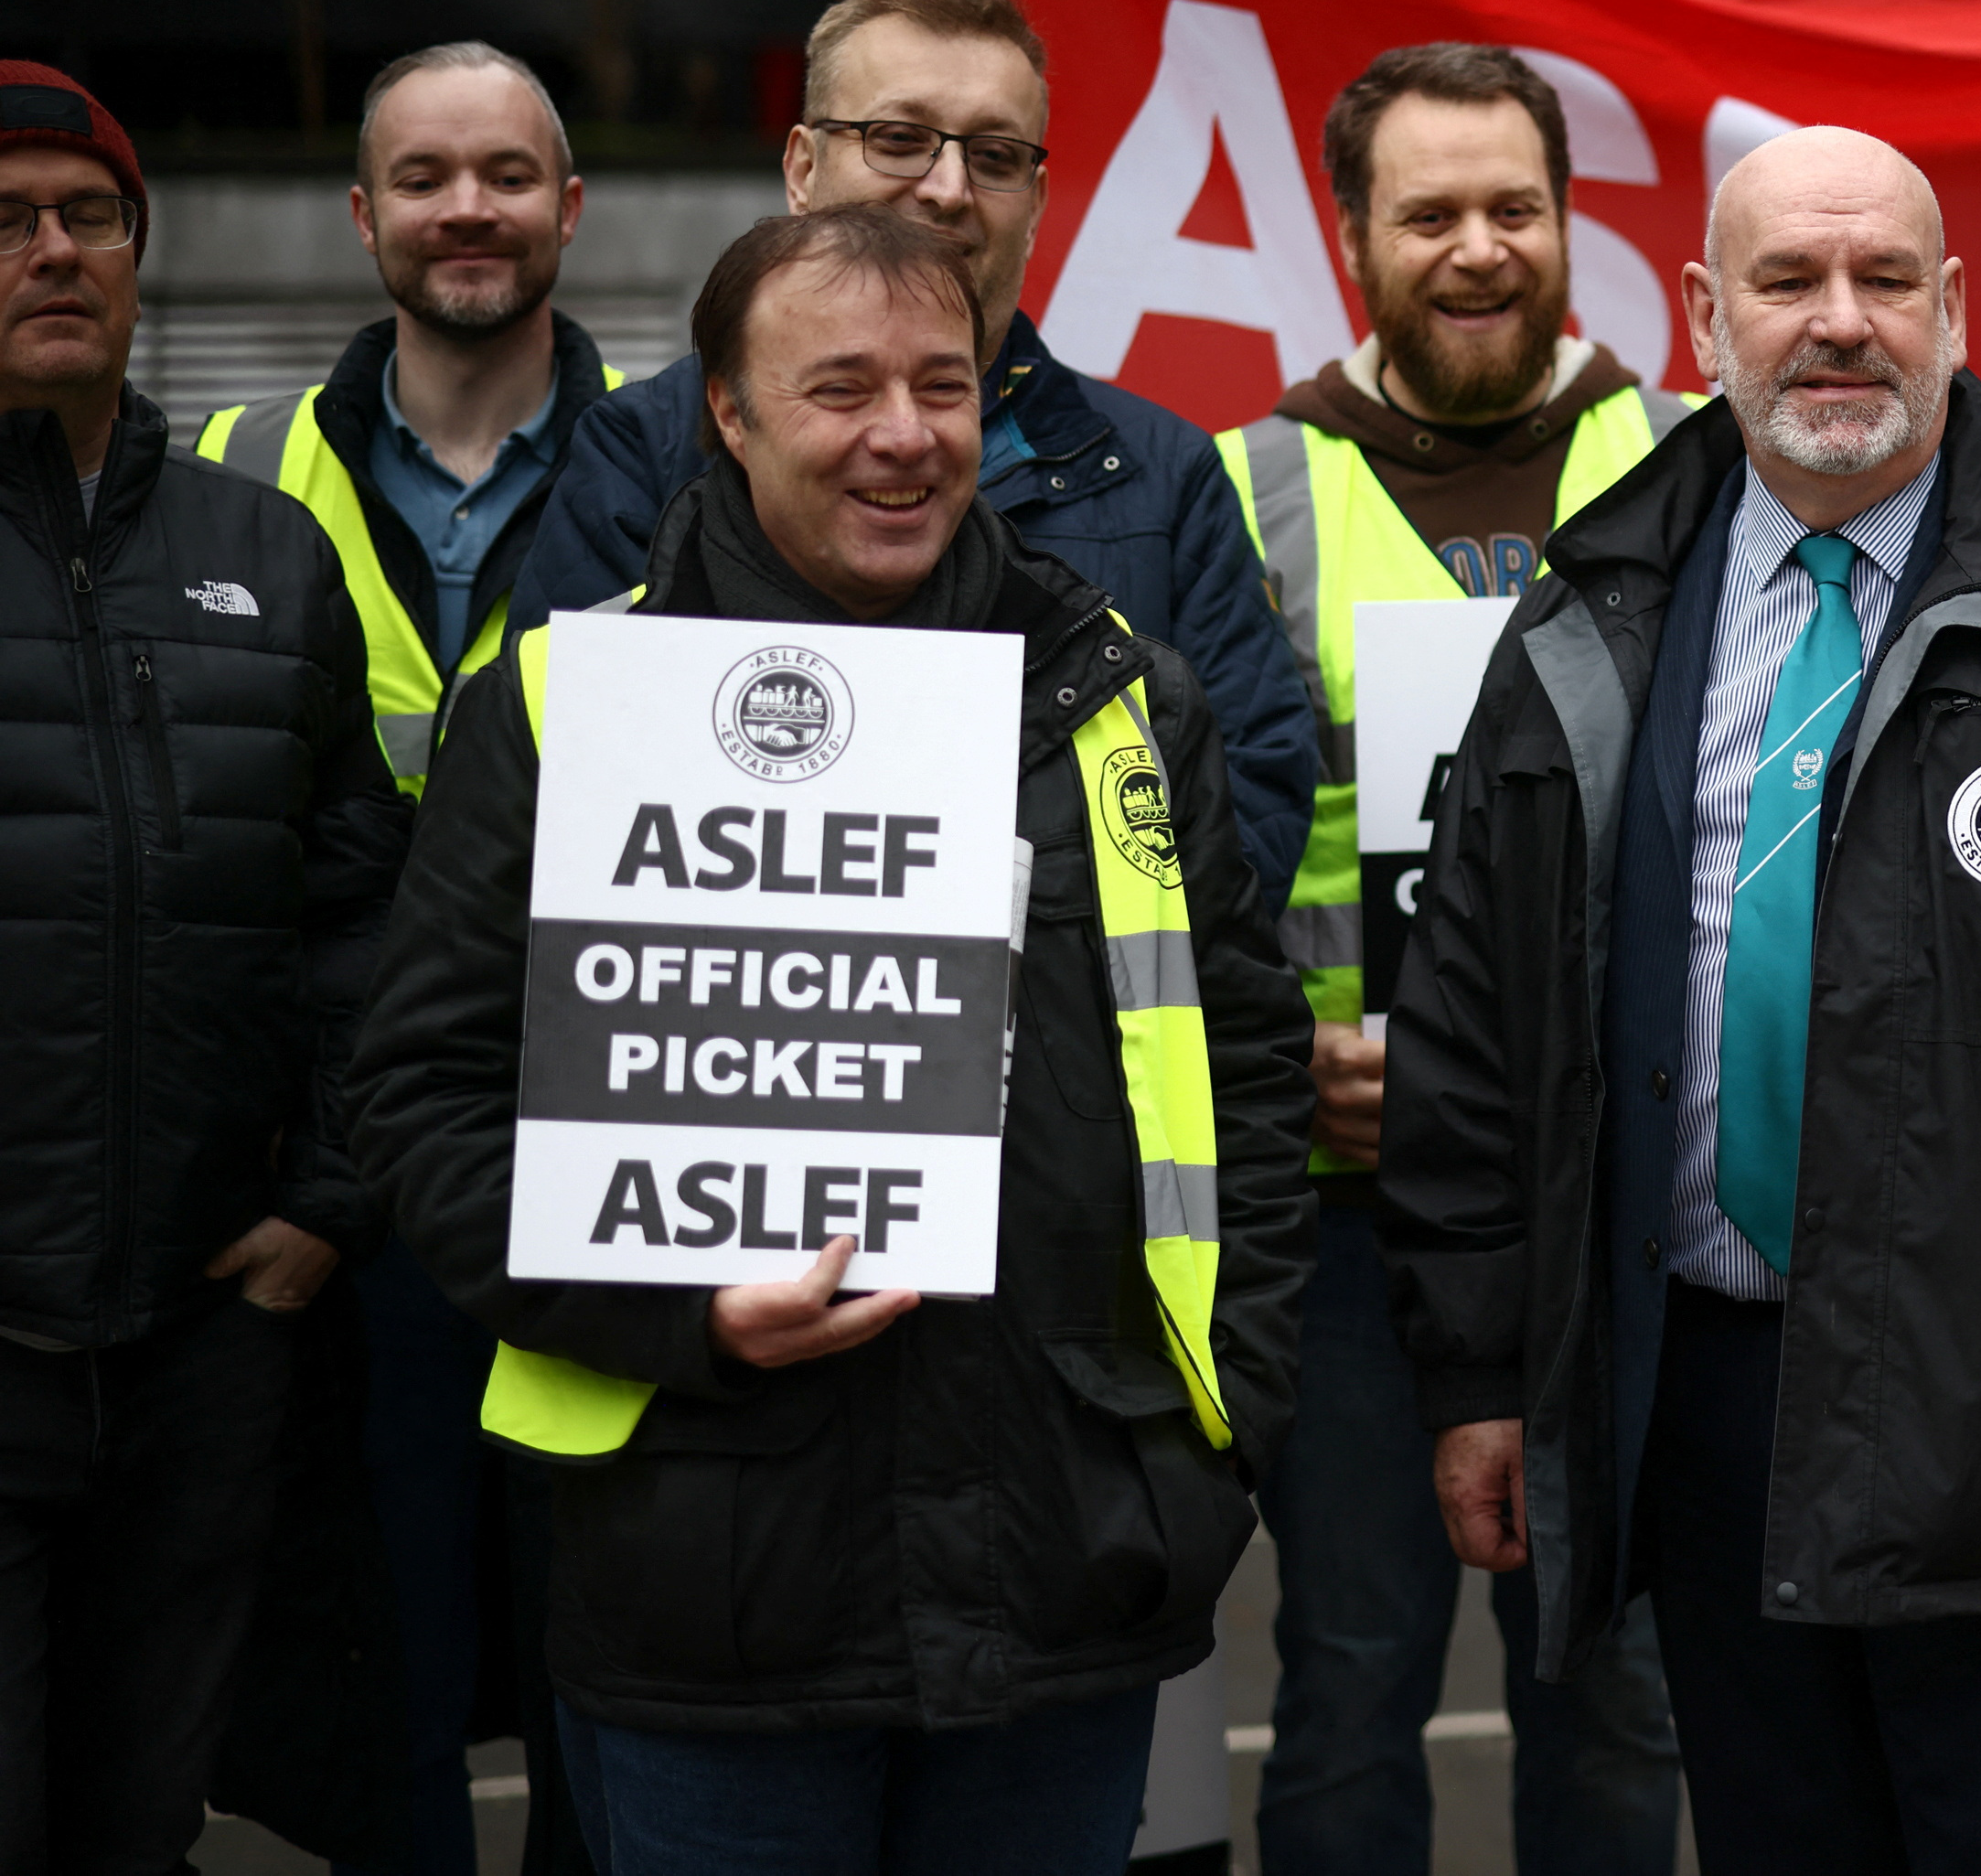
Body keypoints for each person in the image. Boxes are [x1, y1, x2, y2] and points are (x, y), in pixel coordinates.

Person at [1378, 126, 1981, 1875]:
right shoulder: (1591, 620)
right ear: (1700, 313)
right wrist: (1479, 1368)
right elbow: (1474, 1029)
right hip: (1702, 1405)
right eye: (1787, 280)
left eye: (1884, 278)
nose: (1839, 320)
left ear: (1955, 309)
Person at [345, 201, 1317, 1871]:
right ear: (723, 409)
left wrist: (1220, 1431)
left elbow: (1247, 1076)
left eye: (944, 386)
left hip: (1066, 1560)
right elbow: (423, 1100)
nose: (904, 436)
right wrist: (679, 1305)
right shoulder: (563, 710)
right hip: (705, 1577)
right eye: (841, 388)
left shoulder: (1121, 702)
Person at [1223, 44, 1687, 1875]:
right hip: (1351, 1220)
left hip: (1615, 1208)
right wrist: (1291, 1046)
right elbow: (1180, 855)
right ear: (1352, 240)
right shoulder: (1245, 488)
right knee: (1344, 1684)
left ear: (1569, 223)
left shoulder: (1691, 466)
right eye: (1428, 213)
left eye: (1514, 206)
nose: (1477, 247)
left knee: (1619, 1691)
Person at [195, 40, 621, 1876]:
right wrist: (315, 1173)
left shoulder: (686, 462)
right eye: (428, 177)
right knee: (389, 1685)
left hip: (612, 1171)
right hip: (350, 1210)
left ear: (569, 208)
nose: (471, 209)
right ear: (363, 215)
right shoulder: (226, 471)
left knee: (606, 1668)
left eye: (509, 174)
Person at [518, 0, 1314, 906]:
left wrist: (1010, 950)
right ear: (803, 168)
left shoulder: (1164, 477)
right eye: (899, 140)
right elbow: (553, 784)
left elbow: (1248, 805)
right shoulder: (645, 449)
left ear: (1037, 196)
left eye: (995, 155)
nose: (946, 188)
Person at [0, 61, 409, 1869]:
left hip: (202, 1335)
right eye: (5, 222)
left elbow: (367, 910)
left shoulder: (268, 549)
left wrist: (326, 1193)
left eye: (88, 214)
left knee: (139, 1820)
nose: (53, 250)